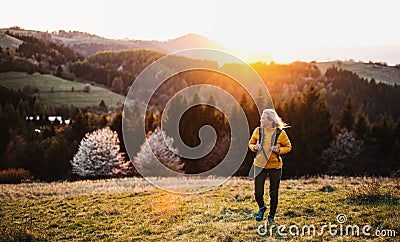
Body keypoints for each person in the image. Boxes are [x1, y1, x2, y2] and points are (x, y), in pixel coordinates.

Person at [248, 109, 292, 223]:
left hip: (275, 167)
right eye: (261, 117)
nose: (261, 119)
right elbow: (250, 143)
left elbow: (288, 147)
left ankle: (271, 215)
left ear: (270, 120)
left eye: (263, 118)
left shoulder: (280, 133)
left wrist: (279, 150)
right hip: (259, 165)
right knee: (258, 192)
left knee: (274, 193)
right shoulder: (258, 131)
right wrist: (254, 147)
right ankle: (262, 207)